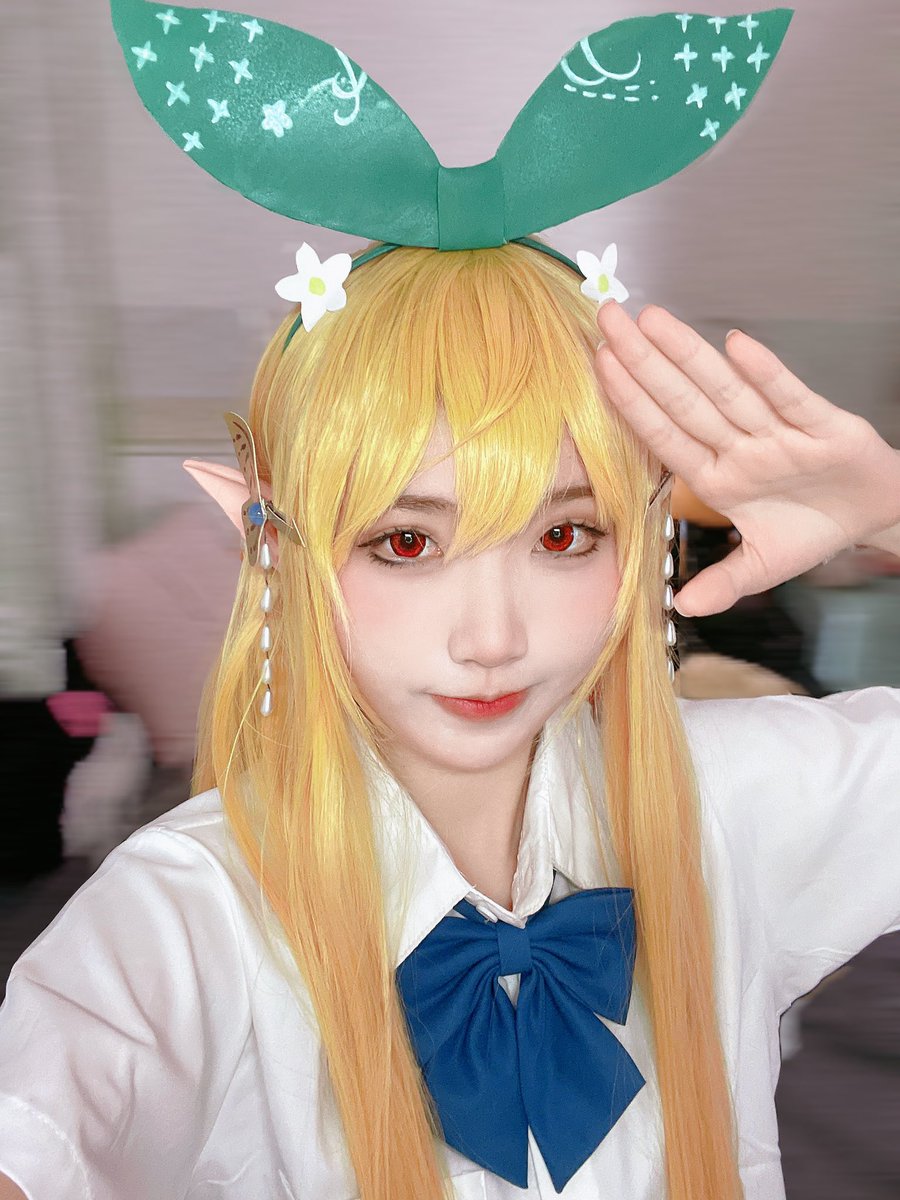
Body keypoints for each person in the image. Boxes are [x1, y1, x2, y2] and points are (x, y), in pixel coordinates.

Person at [0, 5, 898, 1200]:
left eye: (565, 536)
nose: (492, 637)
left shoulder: (727, 803)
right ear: (269, 542)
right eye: (406, 542)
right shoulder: (188, 910)